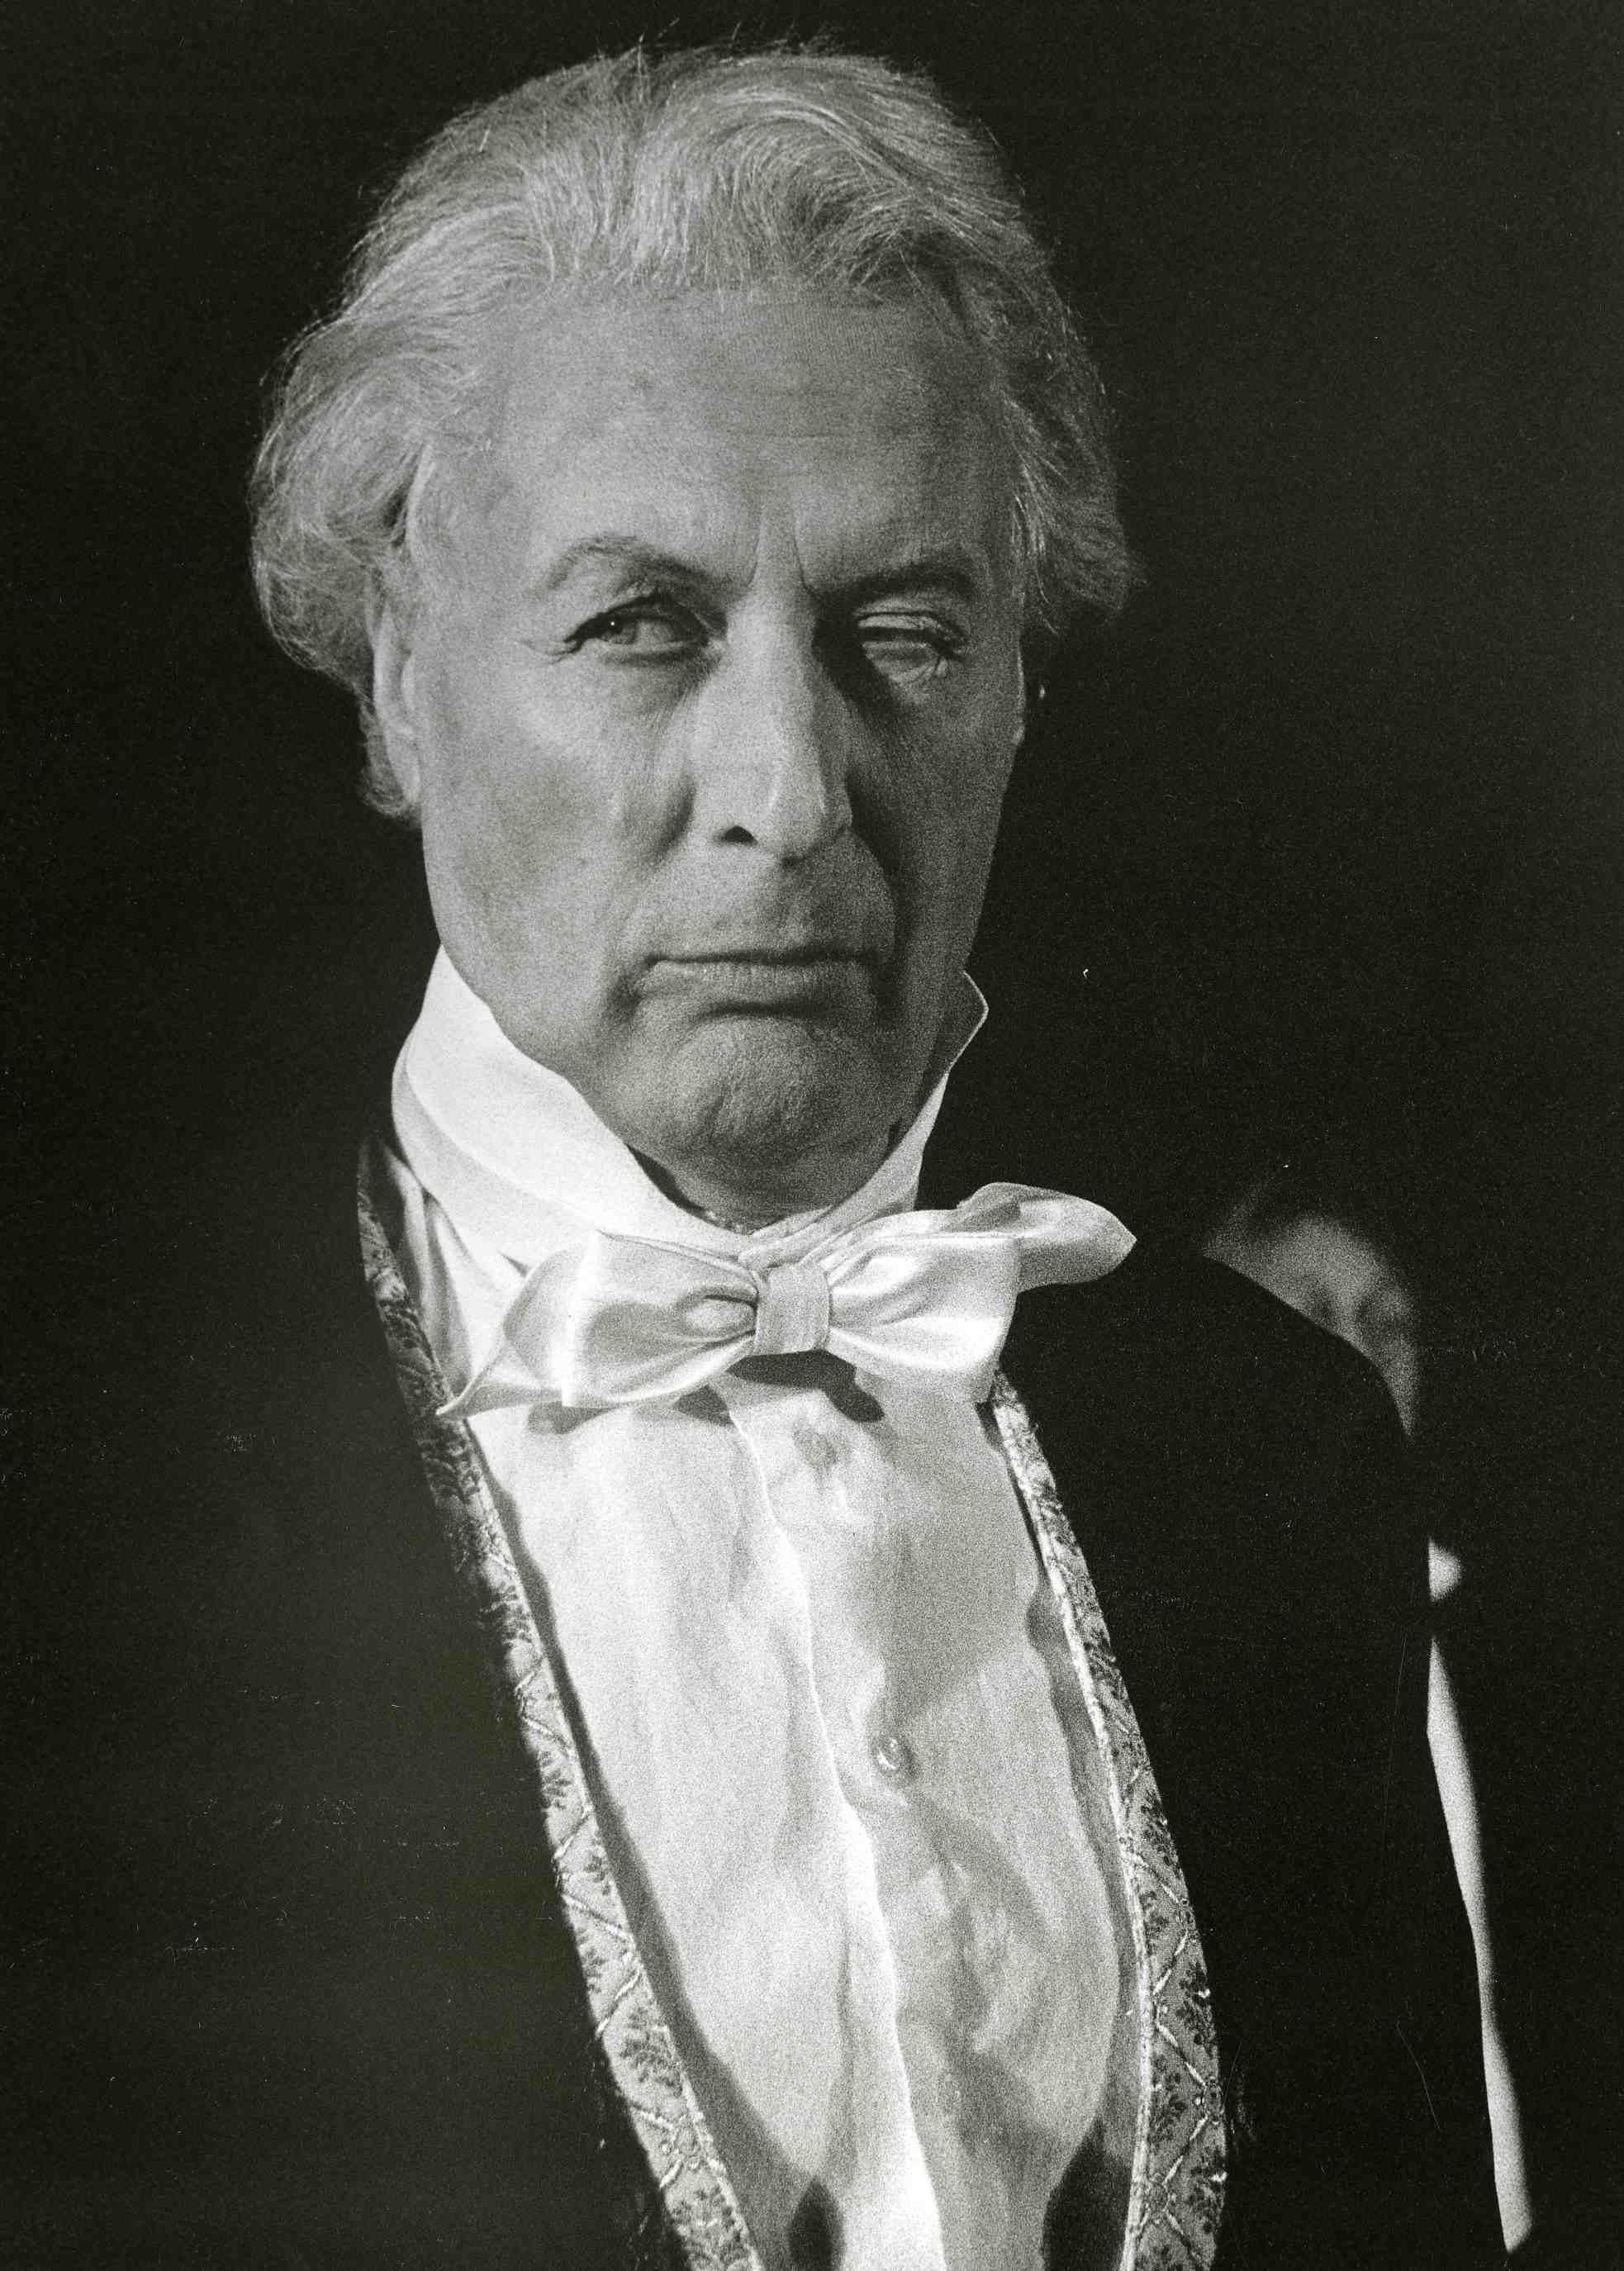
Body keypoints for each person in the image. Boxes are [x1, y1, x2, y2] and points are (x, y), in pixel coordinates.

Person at [9, 44, 1501, 2270]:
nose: (792, 792)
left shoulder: (1274, 1453)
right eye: (641, 625)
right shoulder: (77, 1510)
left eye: (905, 633)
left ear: (1019, 686)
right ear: (401, 677)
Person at [1202, 1167, 1535, 2254]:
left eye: (1384, 1321)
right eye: (1308, 1312)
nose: (1354, 1352)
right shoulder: (1169, 1631)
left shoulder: (1484, 1634)